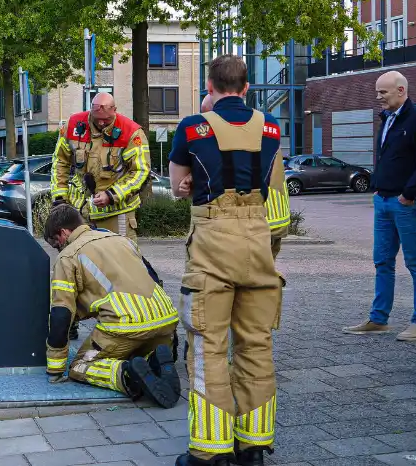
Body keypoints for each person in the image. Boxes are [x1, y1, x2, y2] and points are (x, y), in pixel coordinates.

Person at [168, 55, 286, 466]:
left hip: (213, 247)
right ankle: (253, 446)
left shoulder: (192, 127)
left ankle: (211, 451)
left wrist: (191, 182)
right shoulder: (271, 126)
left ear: (209, 85)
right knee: (256, 344)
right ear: (248, 86)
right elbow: (269, 184)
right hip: (257, 244)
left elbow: (178, 186)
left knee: (207, 347)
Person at [43, 204, 180, 408]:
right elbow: (153, 277)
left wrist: (55, 368)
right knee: (138, 351)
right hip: (166, 318)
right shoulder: (121, 240)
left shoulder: (68, 256)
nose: (58, 249)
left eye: (56, 244)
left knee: (80, 366)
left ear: (63, 232)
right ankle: (155, 359)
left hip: (125, 325)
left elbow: (61, 314)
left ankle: (127, 375)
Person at [343, 70, 416, 341]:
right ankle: (378, 319)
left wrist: (408, 194)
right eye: (377, 92)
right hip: (383, 200)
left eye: (383, 92)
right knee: (382, 261)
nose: (378, 97)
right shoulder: (386, 119)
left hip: (407, 203)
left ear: (401, 90)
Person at [51, 92, 151, 245]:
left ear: (115, 110)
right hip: (80, 213)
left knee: (121, 261)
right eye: (97, 119)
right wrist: (60, 200)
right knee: (81, 262)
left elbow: (140, 172)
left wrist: (112, 195)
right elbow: (60, 162)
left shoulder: (130, 132)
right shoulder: (73, 125)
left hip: (117, 213)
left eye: (106, 119)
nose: (102, 123)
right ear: (90, 111)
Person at [198, 93, 291, 255]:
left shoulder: (234, 137)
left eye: (209, 115)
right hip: (277, 218)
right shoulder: (261, 127)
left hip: (257, 222)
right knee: (263, 275)